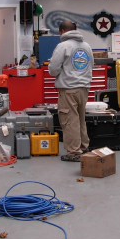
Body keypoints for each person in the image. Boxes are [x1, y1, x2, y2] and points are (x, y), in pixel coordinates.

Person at [48, 20, 94, 162]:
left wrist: (63, 72)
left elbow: (53, 69)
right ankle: (83, 146)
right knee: (80, 118)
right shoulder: (87, 46)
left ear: (62, 31)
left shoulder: (63, 46)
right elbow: (90, 64)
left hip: (68, 89)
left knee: (69, 120)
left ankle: (74, 152)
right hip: (83, 88)